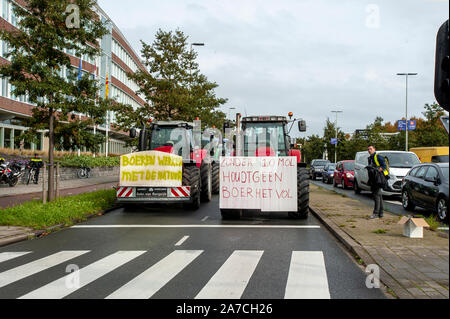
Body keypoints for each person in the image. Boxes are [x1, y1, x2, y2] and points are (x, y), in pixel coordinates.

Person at [367, 145, 389, 219]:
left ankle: (376, 213)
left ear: (374, 149)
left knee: (376, 195)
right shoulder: (370, 158)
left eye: (371, 149)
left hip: (379, 178)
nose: (369, 150)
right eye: (368, 149)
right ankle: (381, 213)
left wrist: (378, 169)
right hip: (374, 178)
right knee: (379, 195)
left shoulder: (378, 156)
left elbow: (384, 166)